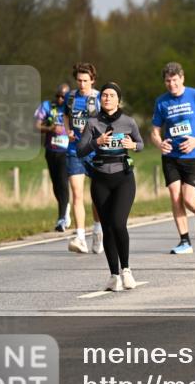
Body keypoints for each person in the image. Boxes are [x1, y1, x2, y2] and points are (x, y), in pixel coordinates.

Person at [76, 83, 143, 291]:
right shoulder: (92, 122)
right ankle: (114, 276)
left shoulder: (128, 122)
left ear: (118, 100)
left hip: (123, 178)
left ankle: (127, 270)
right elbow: (80, 150)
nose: (106, 98)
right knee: (106, 228)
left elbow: (140, 144)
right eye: (104, 95)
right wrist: (97, 141)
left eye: (111, 95)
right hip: (100, 179)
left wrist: (133, 146)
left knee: (118, 224)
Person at [150, 62, 195, 254]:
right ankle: (184, 241)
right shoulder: (161, 101)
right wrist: (159, 143)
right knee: (175, 196)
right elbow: (154, 131)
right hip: (171, 156)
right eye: (167, 81)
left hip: (193, 154)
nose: (171, 84)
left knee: (189, 199)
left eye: (174, 80)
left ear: (182, 79)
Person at [64, 62, 102, 254]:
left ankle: (97, 229)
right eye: (79, 80)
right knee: (77, 194)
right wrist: (68, 130)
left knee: (96, 195)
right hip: (74, 151)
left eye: (85, 81)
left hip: (95, 152)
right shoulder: (70, 97)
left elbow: (109, 120)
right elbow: (65, 115)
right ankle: (80, 236)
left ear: (92, 80)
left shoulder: (100, 99)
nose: (82, 84)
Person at [35, 83, 71, 231]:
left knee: (63, 183)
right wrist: (49, 128)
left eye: (63, 96)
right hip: (51, 150)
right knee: (56, 184)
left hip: (66, 151)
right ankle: (65, 207)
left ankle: (62, 218)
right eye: (58, 96)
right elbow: (36, 126)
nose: (60, 99)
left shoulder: (71, 109)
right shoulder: (47, 106)